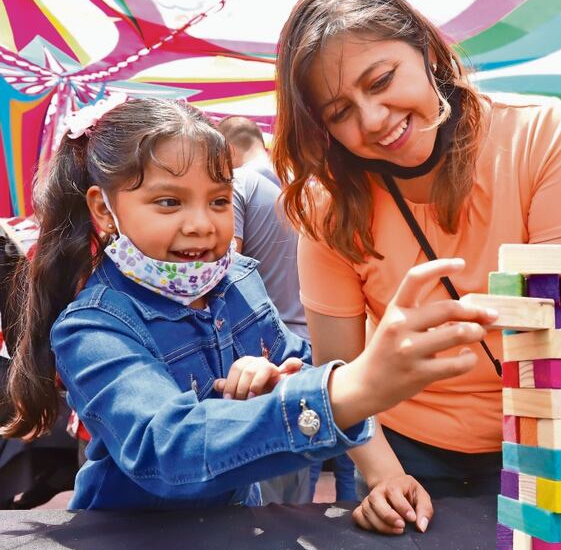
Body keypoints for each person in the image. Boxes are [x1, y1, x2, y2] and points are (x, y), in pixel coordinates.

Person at [272, 0, 561, 550]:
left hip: (544, 436)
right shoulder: (324, 204)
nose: (375, 119)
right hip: (402, 449)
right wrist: (383, 477)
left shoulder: (538, 134)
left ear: (426, 50)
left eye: (382, 80)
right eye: (340, 112)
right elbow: (340, 367)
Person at [0, 96, 497, 512]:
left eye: (218, 201)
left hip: (233, 531)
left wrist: (384, 473)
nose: (202, 224)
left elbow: (297, 364)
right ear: (102, 210)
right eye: (169, 202)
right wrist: (343, 393)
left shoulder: (237, 280)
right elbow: (167, 448)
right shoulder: (93, 328)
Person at [217, 115, 355, 503]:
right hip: (326, 346)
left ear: (227, 151)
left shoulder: (240, 184)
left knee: (290, 488)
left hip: (271, 357)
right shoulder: (307, 190)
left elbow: (225, 267)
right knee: (348, 460)